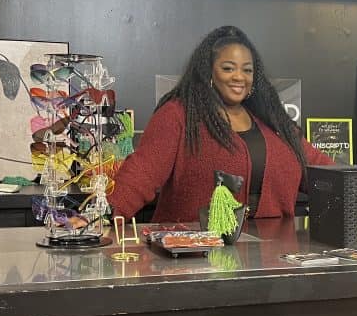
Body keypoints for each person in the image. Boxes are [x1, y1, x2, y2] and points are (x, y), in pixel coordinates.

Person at [109, 26, 334, 222]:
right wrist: (104, 217)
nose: (239, 77)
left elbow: (325, 173)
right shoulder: (178, 115)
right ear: (209, 72)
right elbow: (142, 172)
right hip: (196, 259)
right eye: (228, 68)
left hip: (274, 259)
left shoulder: (274, 123)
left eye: (247, 70)